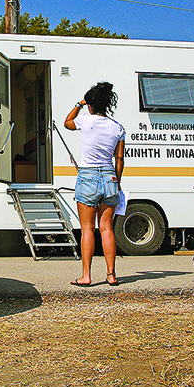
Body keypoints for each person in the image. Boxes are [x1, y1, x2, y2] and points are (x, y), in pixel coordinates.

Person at [64, 81, 125, 287]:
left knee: (87, 229)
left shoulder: (85, 121)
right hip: (109, 177)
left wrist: (79, 104)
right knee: (106, 228)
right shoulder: (118, 127)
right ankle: (111, 275)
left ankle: (86, 276)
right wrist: (117, 182)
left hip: (88, 176)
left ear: (90, 105)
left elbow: (67, 122)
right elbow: (119, 159)